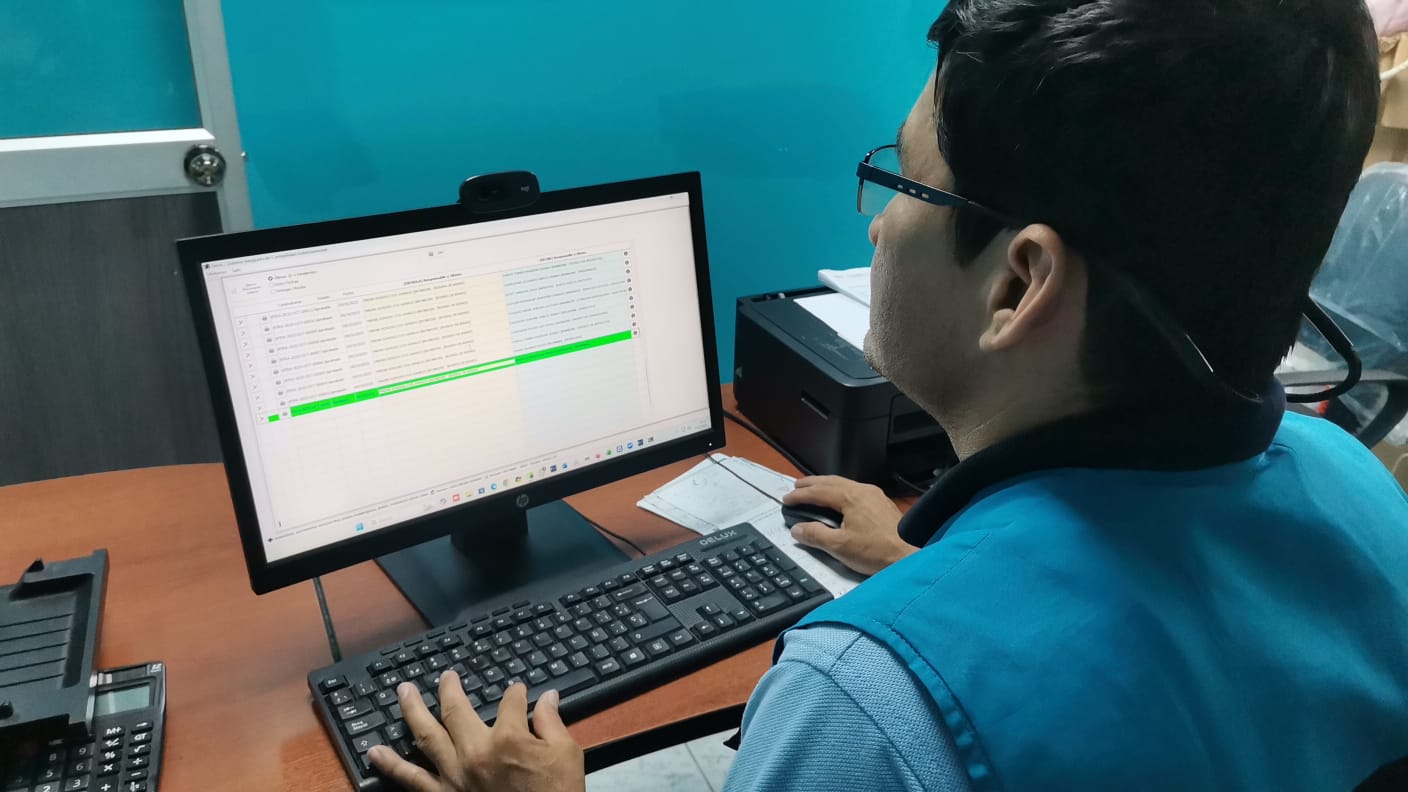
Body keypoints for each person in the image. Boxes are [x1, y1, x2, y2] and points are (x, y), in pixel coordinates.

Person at [367, 0, 1408, 789]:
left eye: (903, 181)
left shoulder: (863, 709)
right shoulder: (1355, 485)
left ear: (1018, 284)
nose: (878, 225)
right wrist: (931, 572)